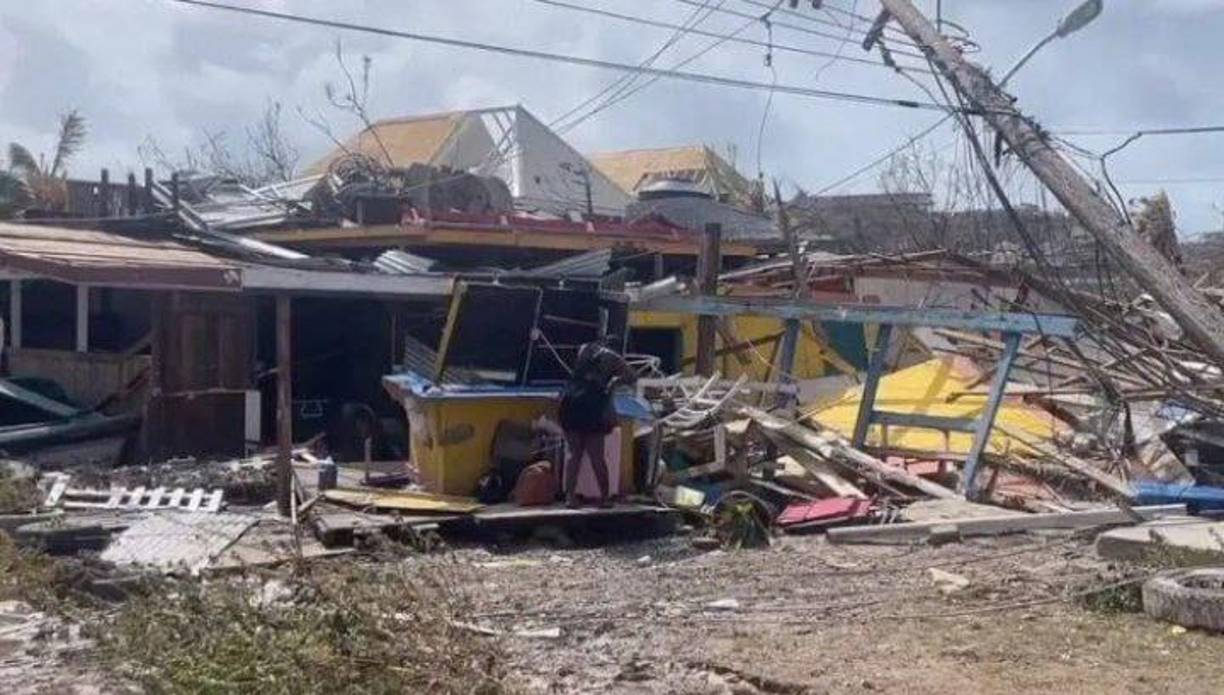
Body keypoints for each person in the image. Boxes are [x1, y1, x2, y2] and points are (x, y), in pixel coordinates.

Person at [557, 335, 635, 508]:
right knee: (597, 457)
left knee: (573, 455)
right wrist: (615, 382)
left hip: (570, 404)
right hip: (593, 407)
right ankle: (605, 498)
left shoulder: (584, 348)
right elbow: (632, 376)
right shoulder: (614, 358)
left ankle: (570, 498)